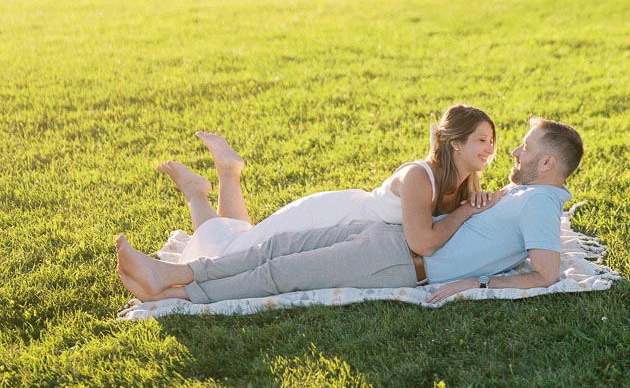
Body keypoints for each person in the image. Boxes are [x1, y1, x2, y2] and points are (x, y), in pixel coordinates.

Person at [116, 117, 583, 306]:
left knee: (284, 272)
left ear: (548, 163)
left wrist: (474, 283)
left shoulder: (541, 202)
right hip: (386, 234)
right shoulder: (522, 195)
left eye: (525, 149)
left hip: (401, 261)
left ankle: (180, 295)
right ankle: (177, 273)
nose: (514, 154)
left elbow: (545, 274)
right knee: (276, 246)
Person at [151, 103, 498, 267]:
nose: (489, 148)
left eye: (492, 141)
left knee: (241, 243)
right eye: (481, 140)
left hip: (344, 231)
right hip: (327, 218)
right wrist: (467, 211)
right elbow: (423, 242)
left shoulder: (464, 182)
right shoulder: (419, 177)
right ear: (456, 143)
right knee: (225, 256)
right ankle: (196, 192)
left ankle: (229, 172)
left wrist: (475, 205)